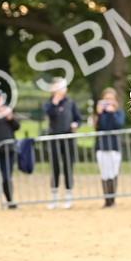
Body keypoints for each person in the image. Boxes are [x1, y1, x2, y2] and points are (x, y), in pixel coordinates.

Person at [43, 77, 82, 209]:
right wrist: (55, 101)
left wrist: (75, 124)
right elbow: (50, 113)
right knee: (55, 168)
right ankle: (54, 197)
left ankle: (68, 196)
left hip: (68, 138)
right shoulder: (49, 103)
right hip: (54, 138)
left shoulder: (70, 103)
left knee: (68, 167)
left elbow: (78, 118)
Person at [93, 86, 126, 207]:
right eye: (106, 99)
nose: (108, 101)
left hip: (114, 146)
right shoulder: (100, 113)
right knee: (104, 173)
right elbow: (98, 127)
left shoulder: (118, 112)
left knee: (113, 172)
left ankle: (112, 199)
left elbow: (119, 124)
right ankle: (106, 200)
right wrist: (99, 113)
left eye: (111, 99)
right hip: (101, 146)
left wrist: (112, 113)